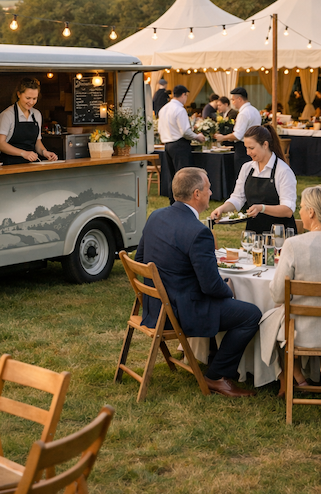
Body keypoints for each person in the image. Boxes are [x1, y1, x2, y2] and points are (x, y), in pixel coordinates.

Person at [135, 167, 261, 397]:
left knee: (229, 304)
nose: (211, 192)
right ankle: (216, 376)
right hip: (182, 311)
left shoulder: (156, 216)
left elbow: (140, 260)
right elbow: (211, 287)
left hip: (154, 308)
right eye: (208, 188)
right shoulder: (197, 231)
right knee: (250, 313)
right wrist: (229, 292)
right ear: (196, 194)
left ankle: (213, 359)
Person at [260, 186, 321, 395]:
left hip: (300, 329)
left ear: (311, 212)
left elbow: (277, 294)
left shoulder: (295, 245)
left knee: (267, 321)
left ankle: (293, 380)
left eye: (302, 207)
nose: (300, 211)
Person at [210, 124, 297, 234]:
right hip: (253, 233)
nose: (248, 152)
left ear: (265, 145)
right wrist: (222, 209)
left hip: (279, 234)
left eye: (251, 148)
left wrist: (262, 208)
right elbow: (238, 198)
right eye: (246, 148)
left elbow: (288, 210)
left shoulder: (283, 171)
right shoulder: (247, 168)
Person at [158, 84, 205, 204]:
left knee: (172, 176)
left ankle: (172, 201)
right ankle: (184, 202)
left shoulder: (164, 109)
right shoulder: (180, 109)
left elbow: (160, 129)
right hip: (180, 145)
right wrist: (197, 137)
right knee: (184, 177)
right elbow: (184, 131)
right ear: (184, 95)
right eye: (186, 96)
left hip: (167, 144)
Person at [0, 77, 58, 165]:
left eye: (34, 98)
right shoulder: (7, 115)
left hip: (30, 164)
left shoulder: (36, 115)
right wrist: (23, 153)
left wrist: (45, 152)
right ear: (19, 94)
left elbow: (37, 141)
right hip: (9, 165)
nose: (31, 102)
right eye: (28, 98)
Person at [214, 87, 261, 174]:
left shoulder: (243, 113)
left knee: (242, 175)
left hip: (243, 148)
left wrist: (222, 138)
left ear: (239, 99)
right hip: (256, 146)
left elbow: (238, 135)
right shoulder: (255, 110)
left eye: (233, 100)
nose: (232, 103)